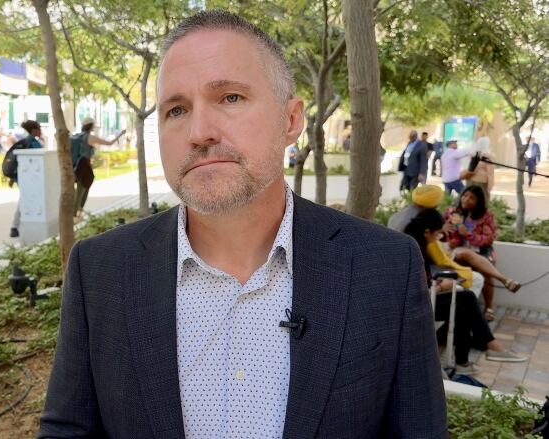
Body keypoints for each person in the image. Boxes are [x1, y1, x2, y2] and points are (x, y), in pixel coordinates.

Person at [39, 11, 446, 438]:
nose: (199, 132)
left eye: (230, 97)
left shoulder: (384, 267)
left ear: (290, 121)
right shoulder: (101, 271)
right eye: (176, 109)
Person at [404, 208, 528, 372]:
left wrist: (440, 283)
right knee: (467, 299)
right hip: (414, 307)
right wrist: (441, 286)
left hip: (423, 300)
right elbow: (411, 291)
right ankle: (490, 345)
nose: (438, 239)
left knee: (463, 303)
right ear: (427, 232)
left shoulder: (416, 245)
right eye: (437, 235)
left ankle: (463, 362)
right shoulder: (413, 251)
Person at [444, 185, 520, 320]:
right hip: (458, 250)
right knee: (465, 255)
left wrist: (469, 234)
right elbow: (442, 236)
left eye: (471, 198)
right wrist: (446, 230)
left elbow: (488, 240)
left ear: (478, 201)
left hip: (482, 251)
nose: (466, 199)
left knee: (484, 268)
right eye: (465, 195)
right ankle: (504, 280)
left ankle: (489, 307)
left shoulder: (486, 215)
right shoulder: (452, 212)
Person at [71, 117, 125, 217]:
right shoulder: (89, 137)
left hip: (77, 165)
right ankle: (75, 213)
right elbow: (109, 143)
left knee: (82, 188)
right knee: (82, 188)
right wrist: (121, 134)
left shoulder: (78, 136)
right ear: (91, 125)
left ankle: (76, 212)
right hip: (84, 165)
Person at [7, 120, 44, 238]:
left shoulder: (24, 142)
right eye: (39, 128)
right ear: (33, 130)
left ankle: (16, 226)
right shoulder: (33, 144)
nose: (40, 131)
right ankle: (15, 226)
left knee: (25, 198)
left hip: (22, 177)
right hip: (32, 178)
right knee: (25, 199)